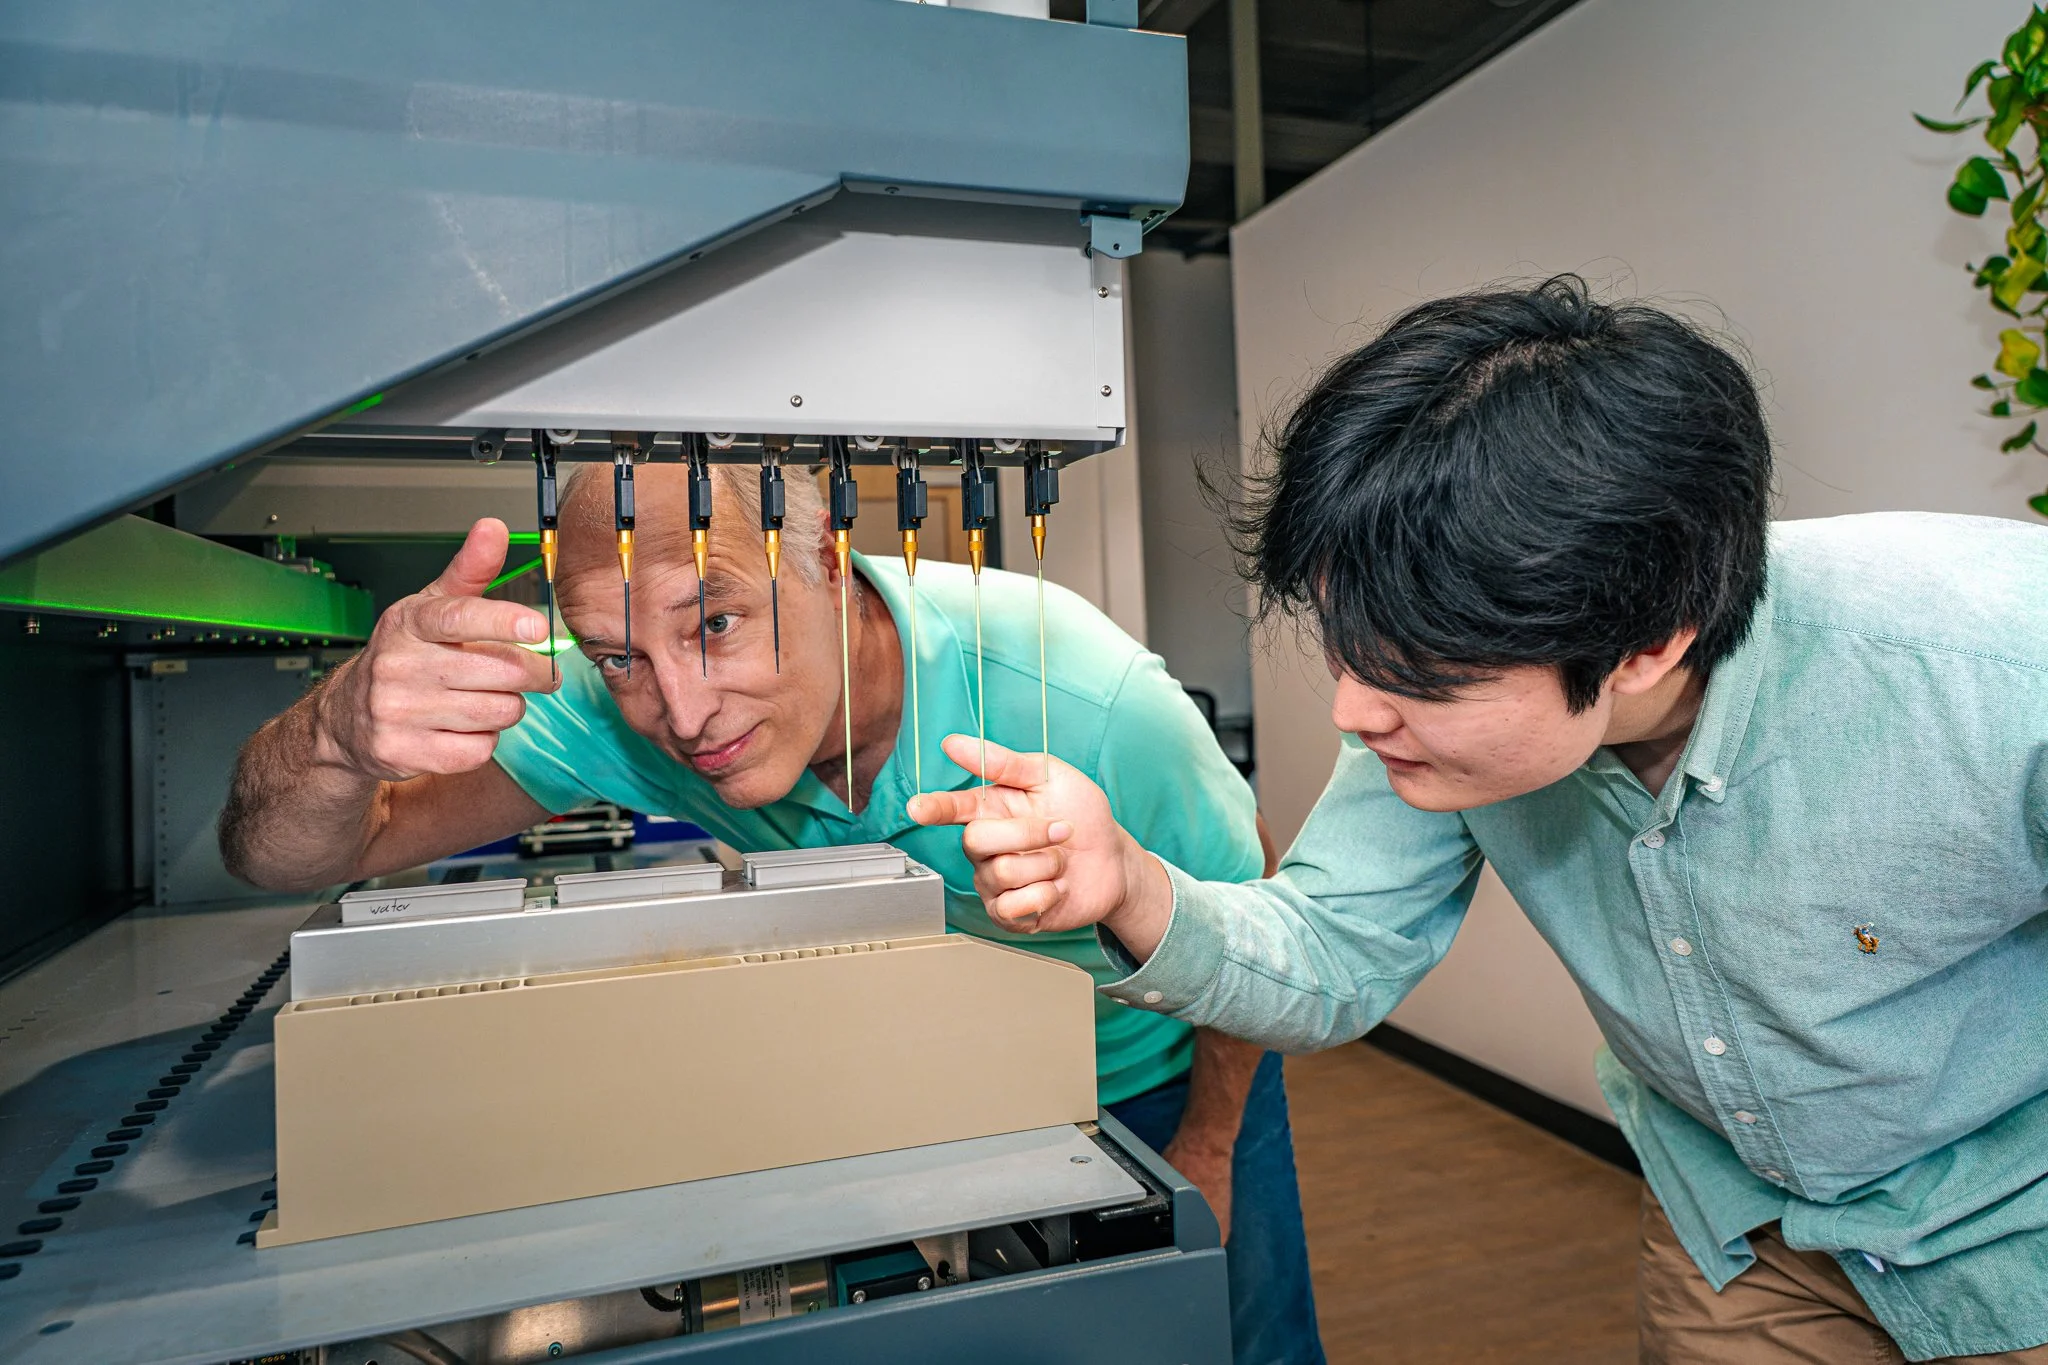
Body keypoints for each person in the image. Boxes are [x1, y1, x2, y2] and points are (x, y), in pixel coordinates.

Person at [914, 277, 2048, 1364]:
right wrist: (1127, 882)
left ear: (1646, 643)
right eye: (1343, 651)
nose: (1352, 711)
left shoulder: (1994, 671)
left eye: (1414, 675)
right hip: (1736, 1226)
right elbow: (1330, 949)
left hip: (2012, 1229)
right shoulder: (1436, 723)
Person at [220, 460, 1326, 1365]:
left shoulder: (1078, 689)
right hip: (943, 1082)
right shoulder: (616, 709)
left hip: (1160, 1065)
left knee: (1237, 1333)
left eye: (717, 624)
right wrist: (332, 734)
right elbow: (292, 855)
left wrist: (1213, 1144)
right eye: (620, 658)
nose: (682, 713)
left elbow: (1247, 897)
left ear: (831, 568)